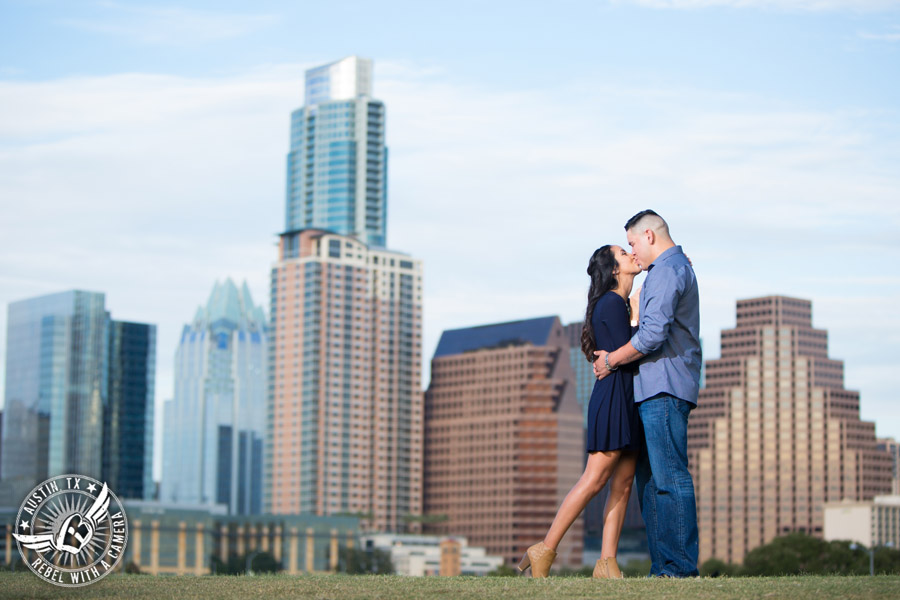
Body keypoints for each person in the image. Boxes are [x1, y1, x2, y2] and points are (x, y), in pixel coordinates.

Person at [518, 244, 643, 578]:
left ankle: (607, 562)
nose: (631, 253)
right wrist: (637, 314)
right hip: (615, 397)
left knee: (624, 482)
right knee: (594, 479)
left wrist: (633, 311)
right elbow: (630, 349)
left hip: (629, 397)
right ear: (614, 269)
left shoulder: (619, 303)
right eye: (623, 252)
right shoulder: (612, 302)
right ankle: (544, 549)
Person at [593, 209, 701, 578]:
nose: (633, 251)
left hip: (665, 386)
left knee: (669, 479)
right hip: (652, 388)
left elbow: (653, 336)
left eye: (633, 243)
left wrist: (610, 361)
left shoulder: (668, 271)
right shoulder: (665, 271)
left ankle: (679, 569)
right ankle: (664, 567)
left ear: (650, 236)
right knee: (653, 484)